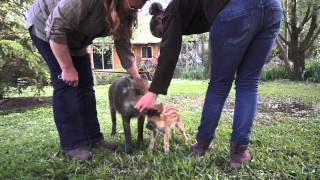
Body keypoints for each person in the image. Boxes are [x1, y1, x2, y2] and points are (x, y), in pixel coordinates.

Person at [135, 0, 282, 168]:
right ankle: (239, 153)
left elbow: (169, 49)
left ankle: (201, 146)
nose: (166, 35)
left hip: (235, 9)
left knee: (219, 84)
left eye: (162, 33)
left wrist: (152, 92)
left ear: (161, 19)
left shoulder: (171, 11)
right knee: (249, 83)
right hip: (272, 8)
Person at [26, 0, 148, 160]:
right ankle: (73, 144)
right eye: (133, 7)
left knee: (86, 87)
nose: (134, 12)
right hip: (48, 30)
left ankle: (93, 137)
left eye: (138, 9)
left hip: (76, 41)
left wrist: (138, 80)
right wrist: (67, 68)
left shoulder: (124, 12)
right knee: (67, 85)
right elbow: (56, 27)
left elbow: (123, 46)